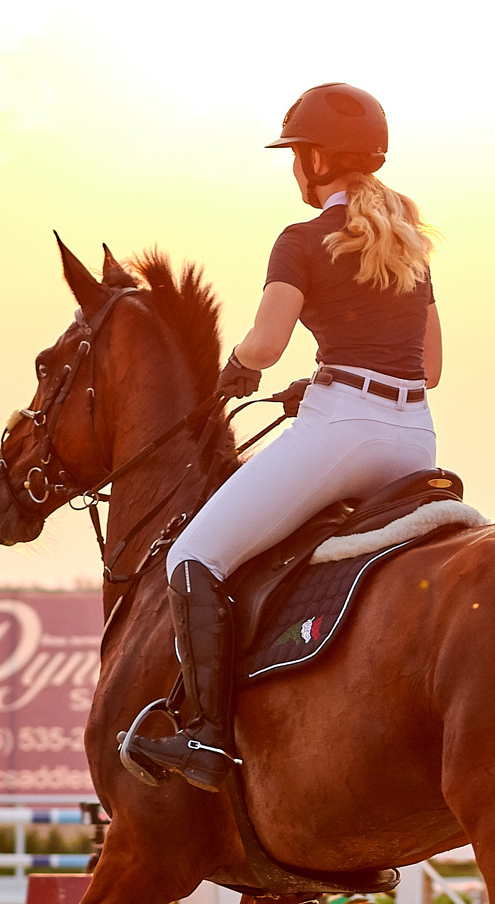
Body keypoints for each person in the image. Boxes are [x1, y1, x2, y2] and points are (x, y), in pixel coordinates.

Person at [128, 83, 442, 793]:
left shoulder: (300, 241)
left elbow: (266, 344)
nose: (294, 166)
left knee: (194, 555)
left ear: (318, 161)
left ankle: (205, 737)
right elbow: (430, 367)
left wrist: (239, 367)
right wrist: (327, 374)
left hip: (341, 433)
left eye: (297, 154)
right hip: (415, 438)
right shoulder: (410, 246)